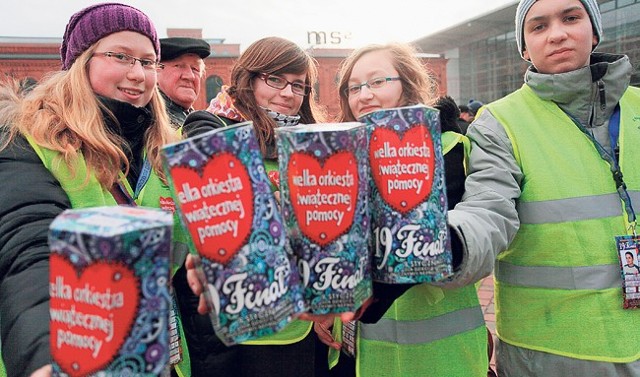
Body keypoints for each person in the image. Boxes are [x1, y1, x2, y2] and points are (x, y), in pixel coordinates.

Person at [448, 0, 640, 375]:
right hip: (548, 354)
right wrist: (449, 244)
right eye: (538, 26)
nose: (557, 34)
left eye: (571, 18)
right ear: (523, 48)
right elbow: (488, 209)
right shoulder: (499, 122)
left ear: (595, 31)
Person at [0, 3, 192, 377]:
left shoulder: (167, 149)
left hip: (154, 357)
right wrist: (47, 356)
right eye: (120, 56)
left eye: (148, 61)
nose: (137, 73)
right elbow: (29, 250)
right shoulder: (29, 143)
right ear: (81, 61)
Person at [315, 43, 489, 377]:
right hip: (358, 352)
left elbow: (457, 249)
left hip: (438, 355)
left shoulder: (451, 150)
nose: (363, 94)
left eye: (377, 81)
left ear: (408, 84)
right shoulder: (340, 162)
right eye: (353, 87)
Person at [176, 36, 330, 377]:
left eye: (299, 86)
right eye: (274, 79)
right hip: (244, 331)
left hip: (305, 325)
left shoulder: (311, 141)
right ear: (249, 79)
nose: (288, 94)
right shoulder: (212, 125)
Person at [157, 37, 211, 128]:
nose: (190, 76)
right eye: (179, 66)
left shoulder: (194, 119)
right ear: (155, 71)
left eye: (195, 69)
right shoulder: (149, 120)